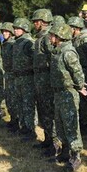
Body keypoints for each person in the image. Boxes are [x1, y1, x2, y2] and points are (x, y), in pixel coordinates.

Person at [49, 22, 87, 171]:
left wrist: (80, 86)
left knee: (71, 124)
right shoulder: (58, 51)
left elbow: (77, 73)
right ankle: (65, 151)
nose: (51, 37)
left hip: (68, 92)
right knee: (60, 123)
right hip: (59, 92)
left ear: (60, 36)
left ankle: (75, 155)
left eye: (53, 35)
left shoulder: (68, 52)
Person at [31, 9, 56, 155]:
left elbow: (53, 57)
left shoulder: (46, 37)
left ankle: (54, 143)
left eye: (36, 21)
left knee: (48, 111)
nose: (34, 24)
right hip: (40, 78)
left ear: (43, 22)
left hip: (46, 79)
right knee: (43, 110)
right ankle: (47, 139)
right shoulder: (40, 37)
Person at [68, 16, 87, 137]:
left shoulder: (85, 39)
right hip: (78, 71)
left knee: (85, 99)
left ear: (75, 28)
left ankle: (86, 126)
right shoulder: (74, 39)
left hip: (83, 71)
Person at [11, 17, 36, 141]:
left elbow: (35, 59)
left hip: (27, 78)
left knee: (28, 105)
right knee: (20, 104)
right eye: (14, 28)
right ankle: (24, 126)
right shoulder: (17, 42)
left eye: (18, 28)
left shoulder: (28, 42)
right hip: (18, 77)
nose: (15, 30)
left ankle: (31, 130)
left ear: (25, 29)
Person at [0, 22, 18, 130]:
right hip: (7, 74)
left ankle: (16, 121)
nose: (4, 33)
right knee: (9, 98)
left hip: (13, 74)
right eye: (3, 31)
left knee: (14, 98)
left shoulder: (13, 44)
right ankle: (13, 119)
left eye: (6, 31)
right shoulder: (5, 44)